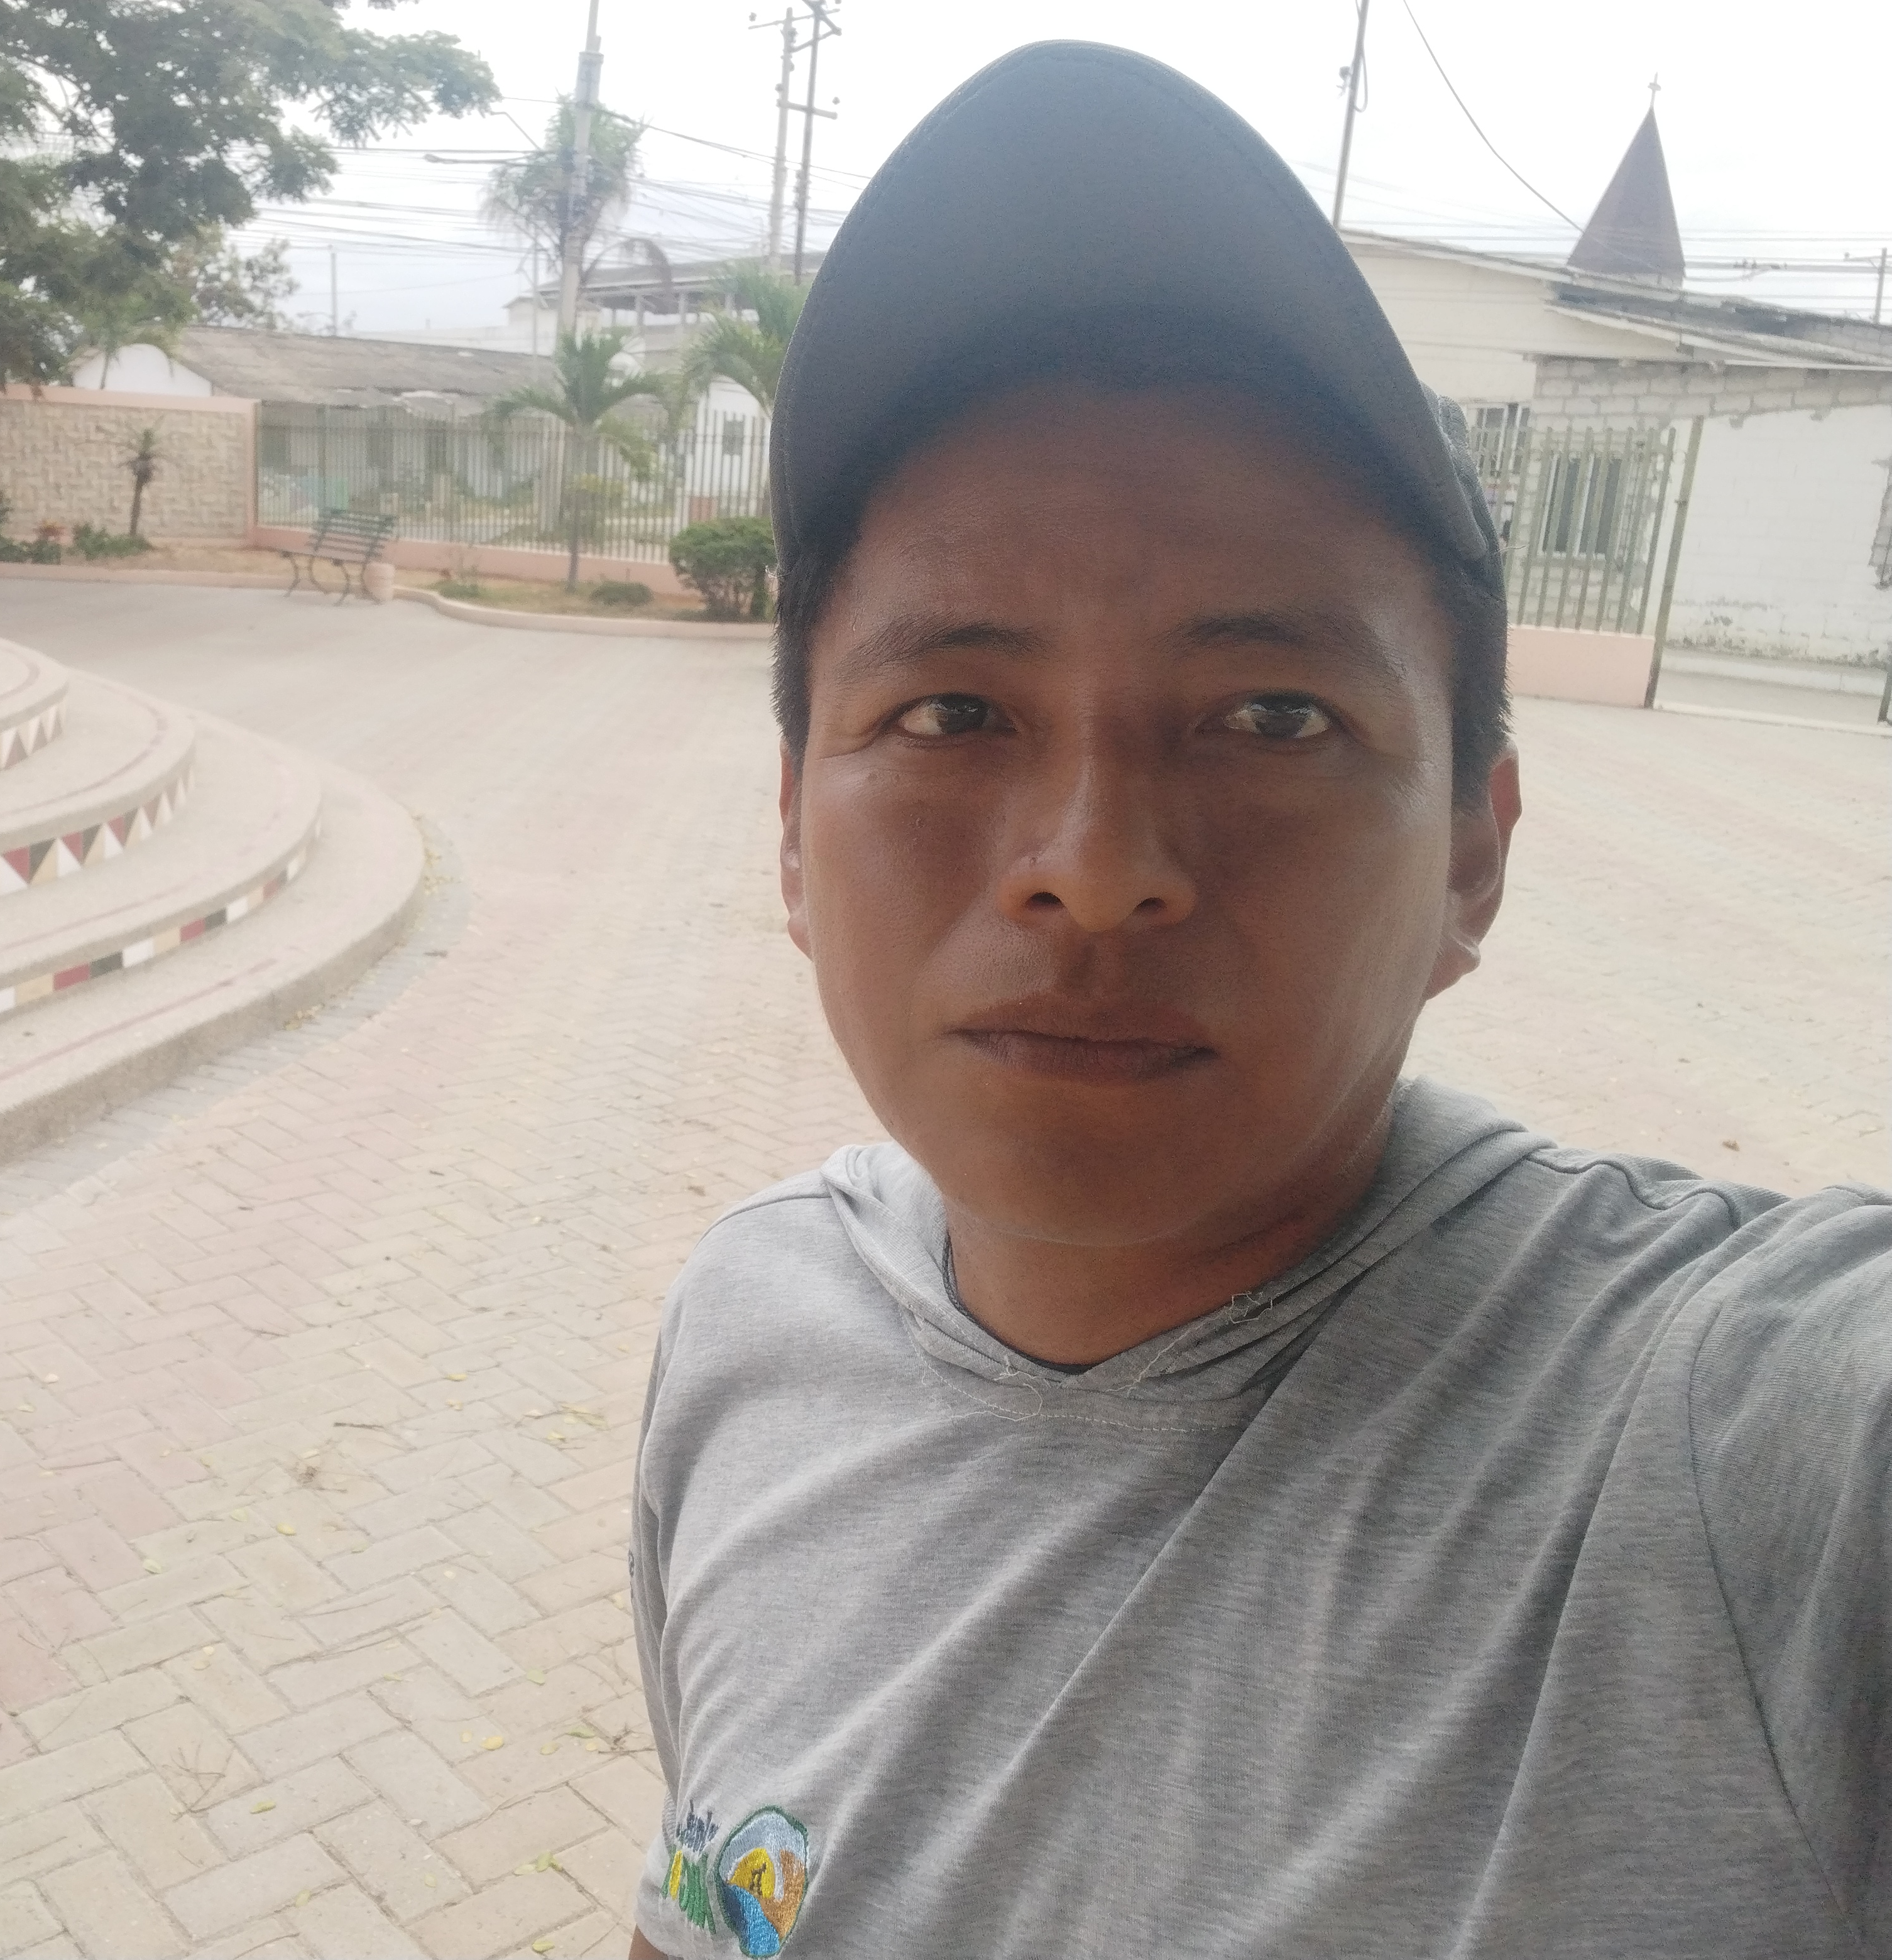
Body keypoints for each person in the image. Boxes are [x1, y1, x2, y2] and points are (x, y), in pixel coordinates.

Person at [626, 42, 1888, 1960]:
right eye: (954, 710)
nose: (1094, 863)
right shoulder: (748, 1330)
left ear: (1472, 856)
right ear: (795, 832)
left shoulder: (1740, 1450)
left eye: (1275, 716)